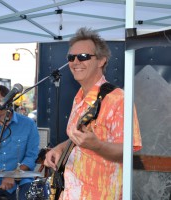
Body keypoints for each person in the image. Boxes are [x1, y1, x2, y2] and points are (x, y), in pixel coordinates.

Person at [44, 27, 142, 199]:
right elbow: (78, 138)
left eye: (83, 56)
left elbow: (127, 151)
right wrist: (59, 149)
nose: (75, 62)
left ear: (101, 61)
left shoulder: (118, 99)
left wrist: (97, 145)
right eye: (71, 57)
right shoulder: (79, 97)